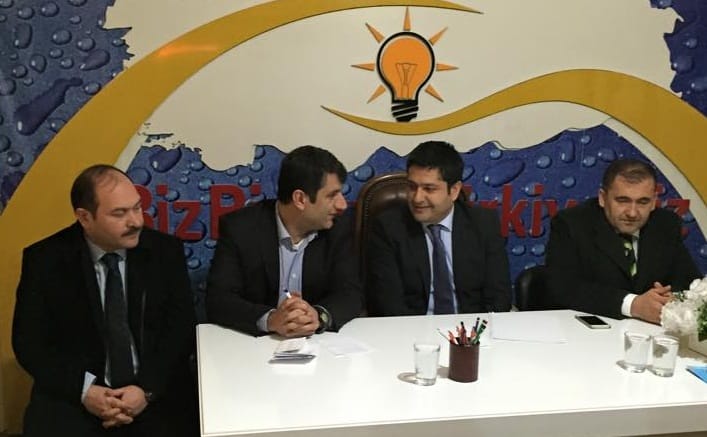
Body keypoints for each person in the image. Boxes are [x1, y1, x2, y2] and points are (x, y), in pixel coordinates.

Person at [12, 165, 198, 436]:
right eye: (119, 213)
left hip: (152, 391)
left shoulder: (163, 251)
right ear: (84, 217)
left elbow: (181, 328)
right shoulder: (45, 261)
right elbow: (29, 343)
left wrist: (145, 390)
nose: (136, 221)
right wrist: (85, 391)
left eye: (137, 208)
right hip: (76, 394)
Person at [206, 146, 362, 337]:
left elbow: (350, 293)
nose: (342, 205)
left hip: (318, 344)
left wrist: (318, 316)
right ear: (300, 199)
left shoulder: (339, 227)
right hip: (256, 344)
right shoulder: (241, 228)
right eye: (331, 195)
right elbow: (219, 300)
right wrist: (271, 319)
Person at [545, 158, 701, 323]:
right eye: (623, 200)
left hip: (648, 331)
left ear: (654, 201)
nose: (632, 213)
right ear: (603, 198)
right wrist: (633, 304)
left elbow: (690, 283)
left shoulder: (665, 224)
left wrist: (671, 299)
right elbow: (564, 288)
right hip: (586, 329)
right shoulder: (572, 224)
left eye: (643, 202)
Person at [365, 140, 512, 316]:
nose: (417, 198)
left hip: (470, 327)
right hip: (412, 327)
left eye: (429, 189)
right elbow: (388, 303)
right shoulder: (389, 227)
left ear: (454, 190)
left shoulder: (483, 223)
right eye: (412, 187)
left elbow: (499, 297)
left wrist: (475, 331)